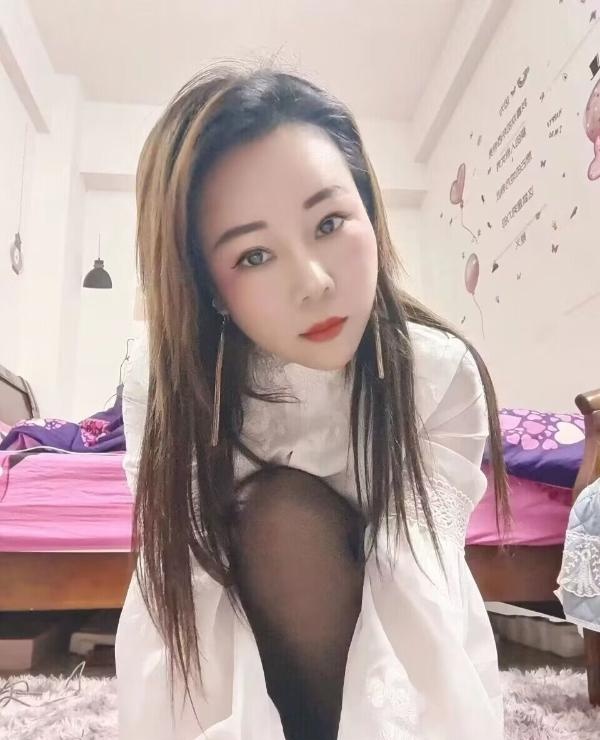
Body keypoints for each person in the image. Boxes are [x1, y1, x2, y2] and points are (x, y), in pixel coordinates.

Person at [115, 65, 509, 740]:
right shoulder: (167, 385)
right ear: (207, 287)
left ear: (370, 213)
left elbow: (419, 588)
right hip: (246, 661)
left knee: (301, 529)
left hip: (380, 666)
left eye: (329, 222)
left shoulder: (436, 375)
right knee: (272, 515)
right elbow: (184, 595)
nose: (314, 282)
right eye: (254, 256)